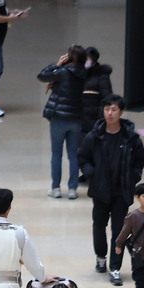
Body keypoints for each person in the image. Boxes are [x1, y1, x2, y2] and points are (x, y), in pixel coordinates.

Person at [77, 95, 144, 285]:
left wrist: (134, 177)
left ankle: (115, 268)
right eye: (107, 109)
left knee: (119, 231)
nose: (110, 113)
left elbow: (140, 159)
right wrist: (92, 174)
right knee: (99, 226)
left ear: (121, 112)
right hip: (100, 190)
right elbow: (82, 157)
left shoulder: (131, 138)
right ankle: (101, 257)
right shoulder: (95, 136)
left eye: (114, 109)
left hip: (121, 191)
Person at [38, 45, 90, 200]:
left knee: (56, 154)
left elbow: (42, 76)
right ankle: (73, 189)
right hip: (76, 119)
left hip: (59, 118)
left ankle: (56, 188)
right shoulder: (83, 74)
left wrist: (57, 64)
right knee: (73, 155)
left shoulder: (62, 72)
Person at [80, 47, 114, 130]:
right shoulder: (79, 74)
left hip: (93, 121)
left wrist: (101, 119)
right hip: (79, 120)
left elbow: (107, 98)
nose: (85, 61)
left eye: (87, 59)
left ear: (93, 61)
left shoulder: (102, 76)